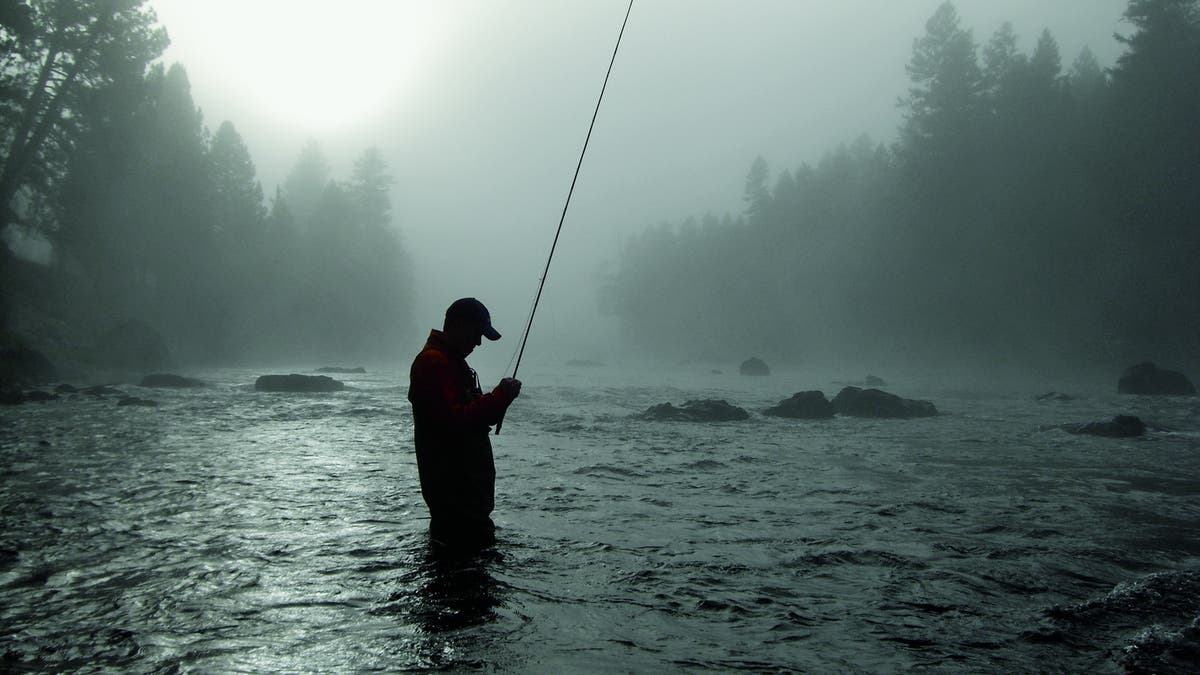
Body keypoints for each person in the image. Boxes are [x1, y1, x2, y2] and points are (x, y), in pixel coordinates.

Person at [408, 297, 521, 549]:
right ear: (458, 325)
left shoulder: (451, 362)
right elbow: (456, 421)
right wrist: (501, 396)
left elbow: (471, 414)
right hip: (456, 498)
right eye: (477, 333)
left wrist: (501, 399)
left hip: (465, 499)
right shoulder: (433, 363)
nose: (479, 342)